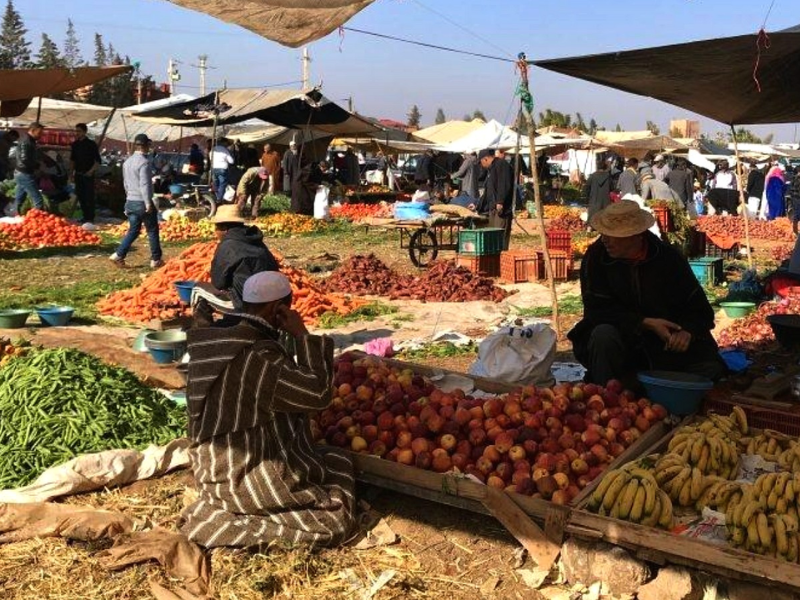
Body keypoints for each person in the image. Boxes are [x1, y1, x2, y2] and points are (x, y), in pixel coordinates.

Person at [182, 270, 356, 549]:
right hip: (241, 475)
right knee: (334, 520)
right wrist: (302, 335)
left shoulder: (216, 340)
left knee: (335, 459)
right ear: (280, 309)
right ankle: (242, 523)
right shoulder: (259, 357)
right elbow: (318, 394)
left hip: (209, 470)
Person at [568, 201, 726, 387]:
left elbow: (700, 310)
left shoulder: (667, 258)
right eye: (604, 234)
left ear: (636, 236)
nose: (605, 240)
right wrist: (644, 323)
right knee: (603, 335)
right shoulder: (597, 257)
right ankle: (609, 393)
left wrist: (687, 331)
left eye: (613, 235)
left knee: (710, 368)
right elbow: (596, 311)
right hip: (623, 338)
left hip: (664, 346)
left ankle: (645, 384)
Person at [189, 203, 280, 312]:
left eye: (216, 228)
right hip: (272, 301)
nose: (215, 232)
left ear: (224, 228)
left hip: (247, 305)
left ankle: (206, 327)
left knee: (198, 289)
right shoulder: (255, 240)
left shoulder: (228, 245)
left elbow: (218, 283)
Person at [110, 134, 163, 269]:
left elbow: (126, 183)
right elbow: (144, 184)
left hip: (131, 201)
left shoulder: (127, 162)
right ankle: (156, 259)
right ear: (145, 146)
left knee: (133, 230)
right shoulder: (144, 163)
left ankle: (118, 255)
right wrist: (148, 203)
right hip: (141, 201)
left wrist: (128, 199)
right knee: (152, 230)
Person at [479, 147, 514, 249]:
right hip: (493, 208)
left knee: (500, 234)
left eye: (481, 162)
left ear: (485, 159)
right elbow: (489, 190)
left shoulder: (501, 165)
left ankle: (501, 258)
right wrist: (478, 204)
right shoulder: (492, 169)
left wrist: (500, 201)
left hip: (501, 209)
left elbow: (504, 185)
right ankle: (495, 258)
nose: (481, 165)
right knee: (493, 235)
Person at [69, 123, 101, 224]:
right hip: (78, 174)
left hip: (88, 174)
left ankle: (90, 218)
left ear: (84, 132)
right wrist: (71, 173)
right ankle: (84, 216)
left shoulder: (91, 144)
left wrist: (91, 172)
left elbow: (97, 161)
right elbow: (72, 160)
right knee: (81, 196)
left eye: (79, 131)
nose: (77, 133)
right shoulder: (75, 145)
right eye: (76, 131)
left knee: (89, 197)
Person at [12, 122, 46, 215]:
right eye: (39, 133)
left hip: (22, 172)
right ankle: (39, 220)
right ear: (33, 130)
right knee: (37, 199)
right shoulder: (26, 141)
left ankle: (15, 215)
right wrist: (37, 166)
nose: (40, 135)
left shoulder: (29, 140)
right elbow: (24, 159)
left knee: (20, 197)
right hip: (24, 173)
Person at [583, 157, 612, 222]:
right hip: (605, 202)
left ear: (597, 167)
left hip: (594, 202)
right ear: (605, 167)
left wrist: (586, 202)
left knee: (591, 221)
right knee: (604, 221)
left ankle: (589, 231)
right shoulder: (608, 177)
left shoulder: (592, 176)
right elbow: (612, 188)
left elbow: (586, 188)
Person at [210, 138, 235, 202]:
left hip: (214, 168)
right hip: (222, 169)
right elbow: (231, 161)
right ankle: (219, 199)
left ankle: (215, 198)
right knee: (222, 184)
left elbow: (210, 158)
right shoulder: (225, 150)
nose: (227, 144)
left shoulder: (213, 149)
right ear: (224, 143)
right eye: (226, 143)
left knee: (216, 183)